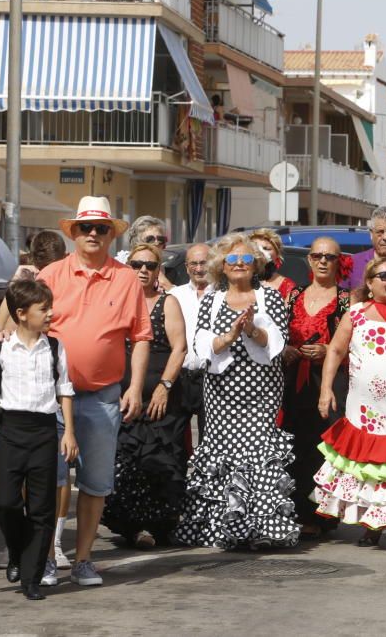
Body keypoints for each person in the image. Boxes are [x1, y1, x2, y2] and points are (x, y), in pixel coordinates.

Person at [35, 196, 151, 587]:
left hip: (103, 395)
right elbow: (22, 319)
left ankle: (84, 559)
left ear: (109, 234)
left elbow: (141, 336)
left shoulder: (125, 278)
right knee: (49, 480)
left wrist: (135, 386)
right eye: (86, 227)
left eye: (101, 228)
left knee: (95, 483)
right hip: (50, 395)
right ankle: (48, 557)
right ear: (74, 233)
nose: (93, 234)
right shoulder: (50, 275)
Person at [174, 234, 299, 549]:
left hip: (261, 394)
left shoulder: (269, 297)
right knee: (224, 456)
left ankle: (263, 529)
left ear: (256, 264)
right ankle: (224, 529)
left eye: (245, 259)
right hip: (221, 395)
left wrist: (252, 330)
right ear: (222, 266)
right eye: (232, 259)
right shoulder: (212, 299)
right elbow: (201, 345)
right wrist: (230, 335)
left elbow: (279, 342)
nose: (239, 264)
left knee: (258, 456)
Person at [0, 280, 77, 600]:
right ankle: (17, 550)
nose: (50, 314)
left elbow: (65, 390)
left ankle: (31, 579)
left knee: (42, 508)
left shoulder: (55, 347)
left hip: (44, 430)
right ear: (21, 314)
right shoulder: (0, 348)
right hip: (10, 431)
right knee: (5, 502)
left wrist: (69, 431)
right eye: (43, 309)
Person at [312, 256, 386, 547]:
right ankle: (371, 523)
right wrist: (326, 389)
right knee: (368, 465)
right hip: (365, 409)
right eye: (384, 275)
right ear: (370, 283)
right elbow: (335, 351)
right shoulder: (356, 314)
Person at [101, 244, 188, 549]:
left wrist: (165, 385)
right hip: (124, 396)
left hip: (161, 397)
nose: (143, 270)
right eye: (137, 264)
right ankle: (133, 526)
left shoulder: (168, 303)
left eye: (150, 266)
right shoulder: (117, 301)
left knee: (162, 462)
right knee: (126, 462)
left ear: (157, 271)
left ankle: (159, 524)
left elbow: (179, 348)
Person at [281, 237, 351, 540]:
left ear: (338, 262)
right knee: (295, 445)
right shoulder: (294, 294)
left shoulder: (347, 299)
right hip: (295, 378)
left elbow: (356, 344)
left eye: (329, 257)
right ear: (309, 260)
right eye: (317, 256)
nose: (323, 261)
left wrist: (329, 350)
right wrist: (285, 349)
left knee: (325, 447)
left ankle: (322, 515)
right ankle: (297, 510)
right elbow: (277, 334)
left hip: (330, 380)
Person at [168, 244, 213, 440]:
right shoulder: (175, 295)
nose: (199, 268)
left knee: (210, 439)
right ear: (186, 267)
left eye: (203, 263)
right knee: (174, 438)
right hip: (180, 377)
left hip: (211, 378)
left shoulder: (223, 295)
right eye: (193, 263)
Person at [119, 216, 173, 292]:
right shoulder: (122, 268)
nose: (156, 243)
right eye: (150, 239)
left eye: (161, 240)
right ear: (136, 243)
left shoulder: (173, 272)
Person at [248, 228, 296, 302]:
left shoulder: (287, 286)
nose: (260, 252)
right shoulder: (239, 279)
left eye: (266, 248)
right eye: (256, 248)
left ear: (277, 253)